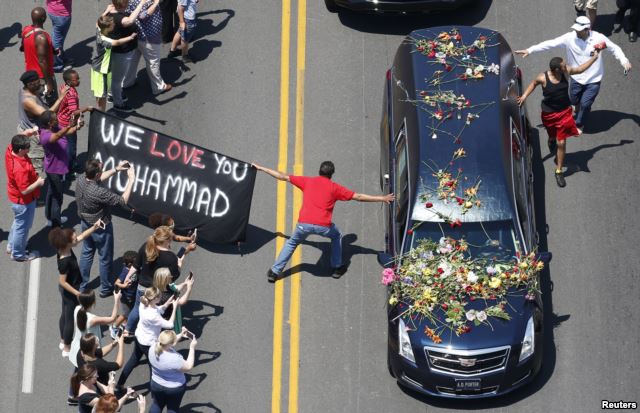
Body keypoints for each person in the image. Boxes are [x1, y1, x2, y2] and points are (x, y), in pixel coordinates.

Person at [253, 161, 395, 282]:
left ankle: (274, 272)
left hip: (303, 225)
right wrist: (382, 198)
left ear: (319, 171)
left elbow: (282, 176)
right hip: (323, 227)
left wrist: (261, 168)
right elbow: (358, 196)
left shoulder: (308, 181)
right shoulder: (335, 188)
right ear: (331, 174)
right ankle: (337, 268)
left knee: (292, 242)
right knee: (337, 235)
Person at [515, 16, 632, 130]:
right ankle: (578, 107)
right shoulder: (569, 38)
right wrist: (530, 50)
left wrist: (624, 61)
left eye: (579, 30)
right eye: (575, 29)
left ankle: (579, 123)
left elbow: (614, 48)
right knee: (574, 100)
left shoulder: (599, 38)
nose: (576, 31)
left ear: (587, 30)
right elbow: (550, 43)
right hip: (576, 78)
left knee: (585, 104)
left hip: (593, 79)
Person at [517, 52, 601, 188]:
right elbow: (533, 84)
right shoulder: (542, 78)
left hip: (564, 113)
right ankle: (551, 139)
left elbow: (580, 69)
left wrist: (594, 58)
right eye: (563, 66)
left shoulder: (565, 72)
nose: (566, 66)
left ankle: (558, 170)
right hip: (549, 114)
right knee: (552, 136)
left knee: (561, 143)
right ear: (556, 69)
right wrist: (524, 96)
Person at [76, 158, 135, 295]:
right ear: (96, 174)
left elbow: (99, 177)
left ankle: (82, 285)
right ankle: (105, 288)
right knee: (105, 257)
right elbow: (122, 201)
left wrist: (116, 169)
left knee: (86, 253)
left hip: (85, 222)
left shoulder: (80, 179)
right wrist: (131, 179)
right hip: (101, 227)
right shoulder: (99, 192)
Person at [122, 226, 195, 336]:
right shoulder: (171, 257)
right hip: (157, 290)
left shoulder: (146, 246)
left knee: (137, 308)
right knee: (157, 310)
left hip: (142, 286)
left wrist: (127, 277)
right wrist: (179, 266)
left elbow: (136, 265)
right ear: (167, 240)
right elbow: (173, 277)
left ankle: (128, 330)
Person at [48, 222, 103, 356]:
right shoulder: (64, 261)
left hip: (69, 291)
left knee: (65, 314)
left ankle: (63, 340)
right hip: (70, 291)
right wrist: (77, 293)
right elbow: (62, 281)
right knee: (70, 319)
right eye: (73, 238)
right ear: (67, 243)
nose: (76, 238)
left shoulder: (65, 248)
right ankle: (66, 347)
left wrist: (94, 227)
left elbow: (82, 236)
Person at [117, 287, 178, 389]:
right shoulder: (154, 316)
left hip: (139, 337)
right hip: (149, 344)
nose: (161, 296)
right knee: (153, 366)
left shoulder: (143, 304)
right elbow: (170, 324)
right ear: (155, 299)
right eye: (159, 295)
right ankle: (154, 390)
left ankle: (120, 384)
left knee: (133, 360)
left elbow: (159, 310)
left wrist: (168, 302)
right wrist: (175, 307)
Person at [18, 70, 70, 175]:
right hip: (33, 135)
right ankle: (38, 186)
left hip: (30, 127)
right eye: (37, 83)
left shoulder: (26, 89)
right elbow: (47, 115)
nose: (40, 84)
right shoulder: (28, 101)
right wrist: (60, 98)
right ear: (29, 84)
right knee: (37, 164)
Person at [5, 134, 46, 261]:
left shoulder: (10, 150)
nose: (29, 149)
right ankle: (18, 254)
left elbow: (20, 137)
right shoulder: (19, 169)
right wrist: (39, 183)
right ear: (20, 150)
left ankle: (12, 245)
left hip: (16, 200)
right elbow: (24, 190)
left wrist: (32, 131)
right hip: (23, 201)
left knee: (18, 224)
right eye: (27, 147)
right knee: (23, 227)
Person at [38, 110, 82, 227]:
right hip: (55, 170)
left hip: (54, 168)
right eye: (55, 119)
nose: (57, 120)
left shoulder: (55, 127)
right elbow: (58, 136)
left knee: (51, 193)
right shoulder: (45, 136)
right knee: (57, 197)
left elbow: (67, 132)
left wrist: (76, 126)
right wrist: (69, 126)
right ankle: (56, 224)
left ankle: (50, 218)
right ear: (49, 123)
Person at [106, 0, 148, 113]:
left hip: (121, 52)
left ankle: (113, 94)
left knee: (116, 77)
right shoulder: (119, 18)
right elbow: (129, 21)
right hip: (121, 53)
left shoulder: (110, 12)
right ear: (123, 5)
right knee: (117, 80)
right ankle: (118, 104)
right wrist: (141, 4)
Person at [124, 0, 173, 96]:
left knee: (133, 60)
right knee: (153, 62)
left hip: (136, 34)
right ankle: (158, 87)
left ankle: (127, 82)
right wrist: (156, 3)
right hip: (149, 37)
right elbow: (143, 16)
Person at [148, 329, 197, 413]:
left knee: (157, 404)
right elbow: (188, 367)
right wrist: (192, 348)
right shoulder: (174, 359)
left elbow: (167, 344)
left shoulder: (152, 348)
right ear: (172, 343)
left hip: (156, 384)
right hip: (174, 388)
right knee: (172, 409)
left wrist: (180, 335)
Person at [69, 290, 121, 368]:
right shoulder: (93, 320)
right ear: (93, 302)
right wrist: (117, 300)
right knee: (90, 368)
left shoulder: (77, 309)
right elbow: (113, 319)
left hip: (77, 347)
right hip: (89, 348)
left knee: (81, 368)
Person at [57, 69, 91, 174]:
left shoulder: (64, 88)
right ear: (69, 82)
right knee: (71, 147)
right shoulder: (71, 94)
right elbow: (74, 112)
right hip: (68, 124)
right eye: (76, 79)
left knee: (64, 144)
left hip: (60, 120)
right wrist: (87, 108)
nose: (79, 81)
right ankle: (70, 168)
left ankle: (64, 162)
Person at [21, 7, 57, 105]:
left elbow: (22, 48)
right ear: (43, 18)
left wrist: (52, 50)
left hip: (30, 75)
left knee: (36, 103)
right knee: (50, 105)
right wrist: (49, 82)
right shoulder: (41, 37)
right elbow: (42, 61)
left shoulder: (26, 30)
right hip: (42, 78)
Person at [154, 267, 195, 333]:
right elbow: (181, 302)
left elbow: (176, 288)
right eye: (169, 276)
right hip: (168, 317)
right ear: (164, 280)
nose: (171, 276)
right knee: (169, 333)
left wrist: (185, 283)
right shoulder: (165, 296)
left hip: (163, 315)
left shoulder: (161, 286)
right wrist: (189, 289)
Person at [111, 250, 138, 339]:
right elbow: (116, 283)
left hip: (133, 295)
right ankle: (114, 327)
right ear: (130, 264)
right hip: (127, 298)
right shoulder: (125, 271)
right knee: (125, 314)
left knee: (130, 311)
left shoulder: (135, 269)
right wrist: (124, 285)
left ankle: (125, 323)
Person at [46, 0, 73, 72]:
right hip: (61, 14)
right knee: (57, 41)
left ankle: (61, 57)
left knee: (57, 37)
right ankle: (57, 65)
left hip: (53, 9)